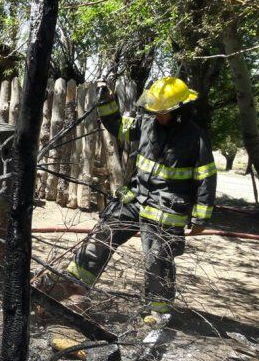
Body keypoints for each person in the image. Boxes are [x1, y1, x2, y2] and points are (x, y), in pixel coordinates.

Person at [38, 77, 217, 321]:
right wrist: (107, 101)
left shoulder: (196, 138)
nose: (158, 116)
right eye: (155, 111)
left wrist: (201, 217)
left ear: (179, 110)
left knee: (158, 257)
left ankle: (157, 311)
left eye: (162, 112)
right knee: (103, 234)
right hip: (136, 197)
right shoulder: (146, 124)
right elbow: (118, 125)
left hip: (166, 208)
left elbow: (206, 177)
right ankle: (73, 286)